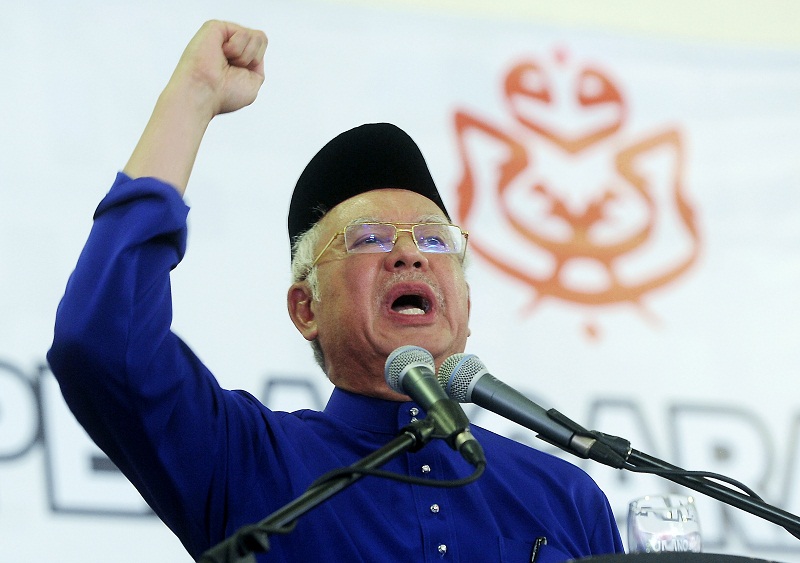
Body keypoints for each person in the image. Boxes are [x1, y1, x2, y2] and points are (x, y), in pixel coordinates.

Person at [48, 20, 624, 562]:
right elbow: (102, 342)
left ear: (466, 306)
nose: (410, 254)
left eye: (434, 239)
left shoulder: (565, 497)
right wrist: (193, 97)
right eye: (369, 238)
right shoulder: (253, 462)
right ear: (306, 308)